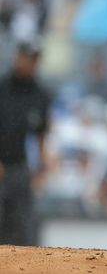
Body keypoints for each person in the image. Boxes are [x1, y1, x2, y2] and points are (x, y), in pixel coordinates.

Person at [0, 39, 51, 245]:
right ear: (18, 58)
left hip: (19, 166)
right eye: (28, 58)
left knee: (24, 225)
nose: (31, 63)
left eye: (35, 60)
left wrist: (41, 167)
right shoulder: (2, 88)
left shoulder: (40, 94)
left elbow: (40, 134)